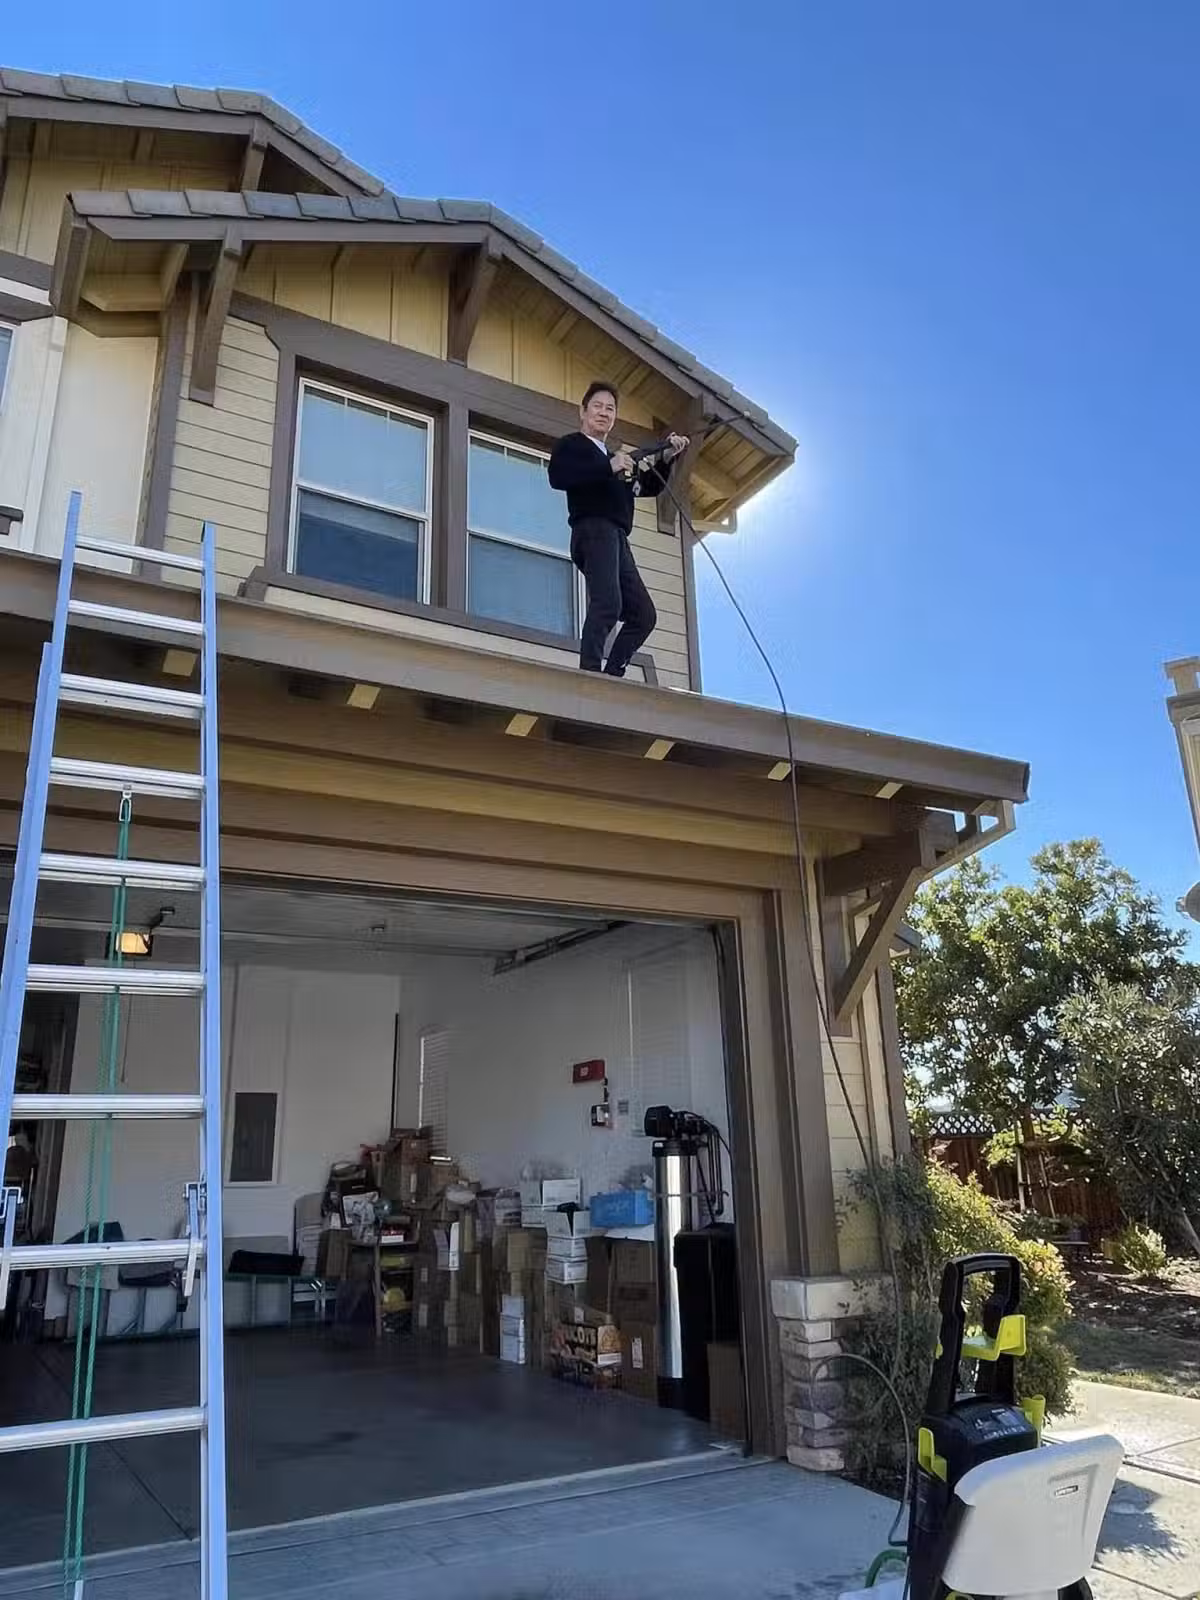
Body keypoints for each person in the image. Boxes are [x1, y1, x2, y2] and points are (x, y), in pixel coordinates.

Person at [548, 382, 689, 676]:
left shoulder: (618, 459)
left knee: (643, 615)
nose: (604, 413)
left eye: (610, 409)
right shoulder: (573, 445)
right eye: (597, 406)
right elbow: (558, 476)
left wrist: (666, 458)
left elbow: (647, 487)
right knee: (608, 602)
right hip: (592, 529)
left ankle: (612, 676)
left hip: (618, 537)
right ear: (583, 412)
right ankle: (589, 675)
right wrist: (608, 467)